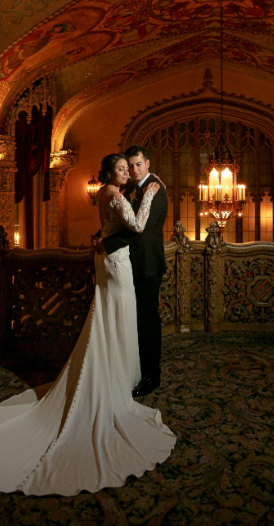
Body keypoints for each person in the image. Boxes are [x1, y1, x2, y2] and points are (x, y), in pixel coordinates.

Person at [0, 154, 175, 496]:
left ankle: (124, 373)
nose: (128, 172)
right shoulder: (120, 192)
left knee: (118, 317)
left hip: (121, 262)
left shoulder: (121, 191)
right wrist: (141, 201)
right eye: (122, 168)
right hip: (116, 264)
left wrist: (103, 236)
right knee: (115, 316)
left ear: (146, 164)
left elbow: (123, 228)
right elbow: (134, 226)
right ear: (111, 173)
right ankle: (114, 376)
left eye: (131, 167)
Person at [92, 145, 167, 398]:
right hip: (126, 265)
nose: (133, 170)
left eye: (137, 165)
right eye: (128, 166)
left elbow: (139, 229)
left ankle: (150, 376)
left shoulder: (155, 191)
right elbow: (118, 220)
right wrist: (100, 236)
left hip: (147, 265)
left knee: (147, 321)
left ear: (147, 163)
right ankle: (127, 370)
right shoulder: (130, 188)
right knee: (127, 319)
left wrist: (106, 243)